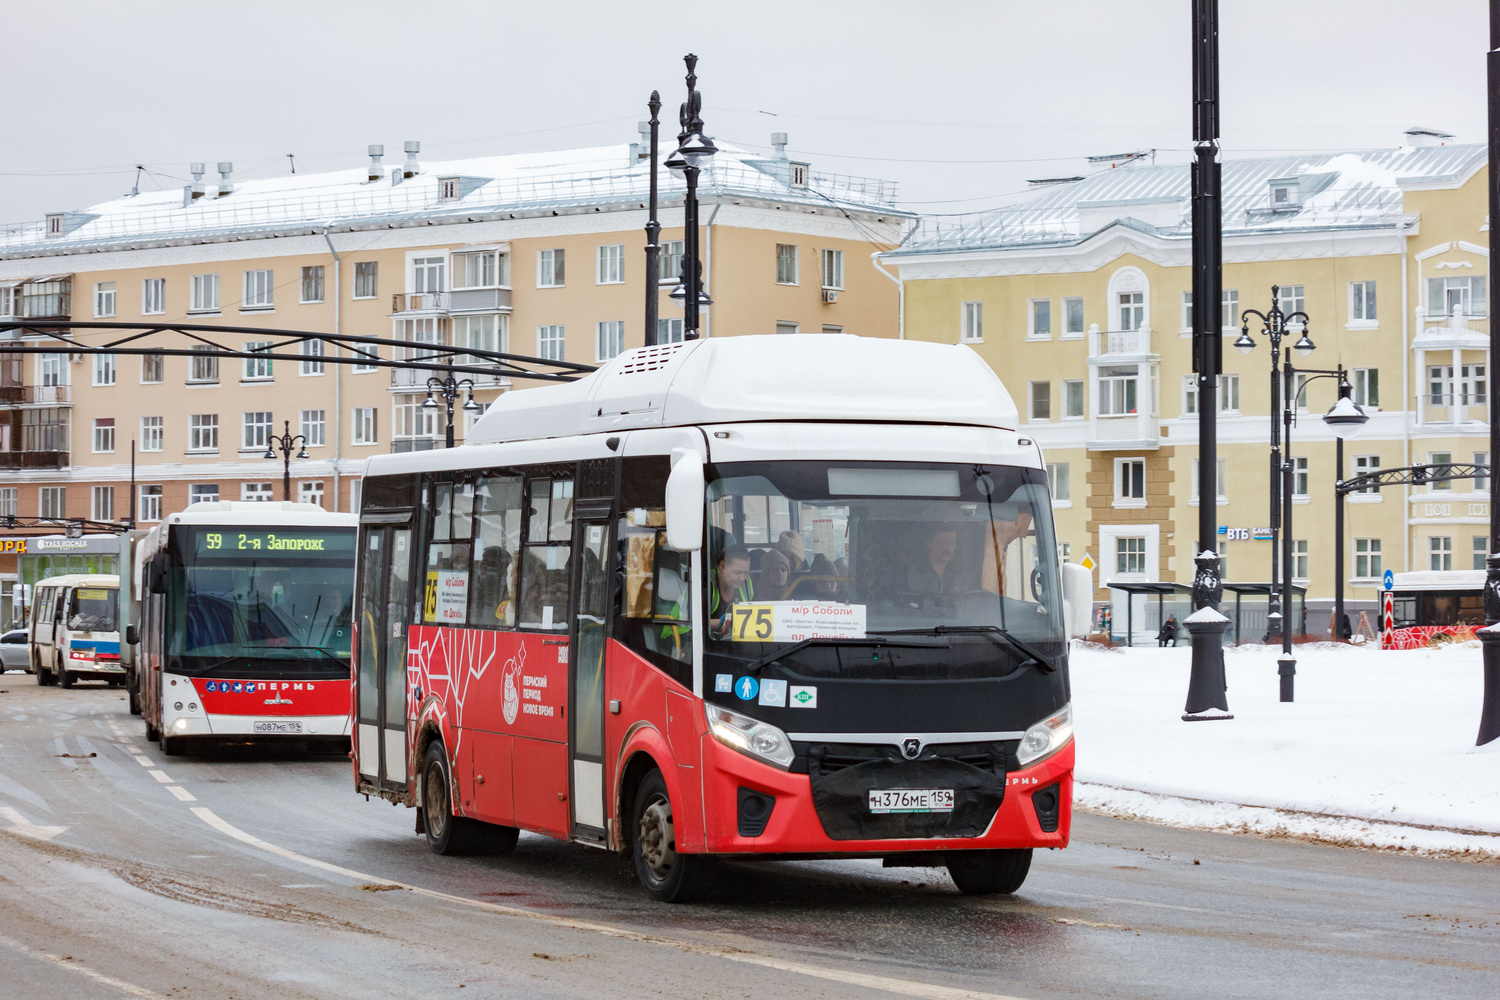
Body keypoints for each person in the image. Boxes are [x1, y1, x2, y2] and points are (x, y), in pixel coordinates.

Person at [709, 545, 754, 638]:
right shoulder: (705, 584)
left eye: (746, 572)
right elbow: (697, 623)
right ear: (722, 566)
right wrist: (728, 621)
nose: (742, 578)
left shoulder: (747, 583)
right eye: (737, 572)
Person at [906, 525, 961, 594]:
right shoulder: (912, 574)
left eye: (953, 542)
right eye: (942, 542)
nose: (949, 548)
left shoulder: (960, 574)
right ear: (929, 543)